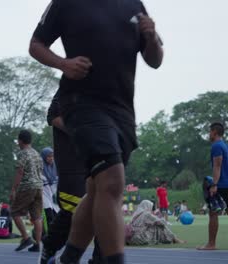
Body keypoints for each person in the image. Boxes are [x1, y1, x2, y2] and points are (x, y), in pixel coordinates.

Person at [29, 0, 164, 262]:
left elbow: (155, 60)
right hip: (81, 103)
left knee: (97, 191)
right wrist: (64, 64)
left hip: (122, 110)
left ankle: (69, 258)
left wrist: (150, 37)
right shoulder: (66, 4)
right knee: (113, 181)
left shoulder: (133, 5)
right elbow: (36, 45)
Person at [39, 92, 101, 264]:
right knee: (73, 212)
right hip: (73, 165)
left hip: (101, 158)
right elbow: (52, 116)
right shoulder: (71, 85)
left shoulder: (107, 87)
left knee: (106, 210)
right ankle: (51, 248)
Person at [198, 123, 228, 250]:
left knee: (213, 213)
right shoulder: (227, 146)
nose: (209, 134)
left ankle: (211, 244)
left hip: (221, 186)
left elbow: (217, 165)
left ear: (215, 132)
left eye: (210, 131)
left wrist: (214, 184)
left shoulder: (216, 146)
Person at [10, 130, 43, 252]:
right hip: (39, 187)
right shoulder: (37, 154)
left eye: (18, 141)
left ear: (20, 141)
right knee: (37, 216)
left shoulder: (23, 154)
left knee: (14, 211)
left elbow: (20, 171)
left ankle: (26, 237)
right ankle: (38, 244)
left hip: (27, 187)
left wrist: (13, 189)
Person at [41, 147, 60, 234]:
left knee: (57, 216)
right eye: (48, 156)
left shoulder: (55, 167)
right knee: (49, 215)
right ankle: (50, 234)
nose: (51, 158)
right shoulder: (40, 168)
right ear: (44, 157)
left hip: (54, 195)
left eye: (52, 156)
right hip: (44, 194)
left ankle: (56, 235)